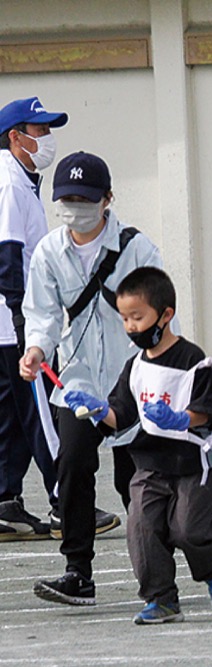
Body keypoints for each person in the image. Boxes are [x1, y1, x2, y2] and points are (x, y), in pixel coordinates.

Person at [22, 151, 159, 606]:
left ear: (107, 199)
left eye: (84, 200)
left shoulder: (137, 248)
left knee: (136, 482)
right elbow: (42, 314)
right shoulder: (49, 251)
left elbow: (161, 310)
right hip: (77, 383)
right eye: (67, 201)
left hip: (131, 381)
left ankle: (158, 570)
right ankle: (77, 572)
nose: (75, 209)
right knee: (73, 468)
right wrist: (36, 349)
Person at [62, 267, 212, 624]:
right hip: (150, 462)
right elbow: (122, 414)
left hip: (192, 463)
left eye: (138, 317)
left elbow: (207, 411)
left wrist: (181, 418)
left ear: (165, 315)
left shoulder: (194, 360)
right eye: (125, 319)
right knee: (141, 527)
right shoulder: (135, 366)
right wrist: (98, 409)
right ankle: (161, 597)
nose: (131, 327)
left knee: (188, 529)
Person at [0, 96, 67, 540]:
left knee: (10, 417)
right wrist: (26, 322)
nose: (47, 138)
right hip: (17, 323)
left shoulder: (19, 179)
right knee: (46, 412)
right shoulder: (9, 183)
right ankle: (68, 502)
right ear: (15, 137)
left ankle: (5, 502)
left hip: (8, 326)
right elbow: (7, 255)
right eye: (40, 130)